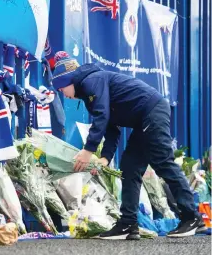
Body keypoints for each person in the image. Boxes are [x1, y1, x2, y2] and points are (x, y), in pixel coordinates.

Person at [51, 51, 205, 240]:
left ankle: (191, 217)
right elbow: (111, 127)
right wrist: (105, 158)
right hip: (144, 119)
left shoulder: (92, 81)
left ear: (69, 80)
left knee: (163, 161)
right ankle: (128, 224)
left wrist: (88, 150)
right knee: (130, 167)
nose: (62, 94)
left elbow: (102, 115)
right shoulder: (88, 90)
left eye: (61, 88)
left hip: (152, 112)